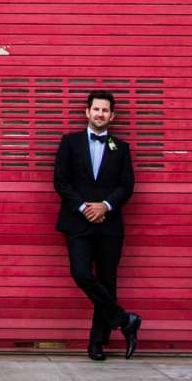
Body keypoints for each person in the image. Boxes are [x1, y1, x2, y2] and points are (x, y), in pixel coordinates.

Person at [52, 88, 141, 361]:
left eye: (105, 110)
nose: (100, 114)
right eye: (96, 109)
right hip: (78, 223)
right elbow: (60, 181)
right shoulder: (69, 142)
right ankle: (124, 319)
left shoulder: (121, 148)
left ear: (112, 116)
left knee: (107, 281)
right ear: (86, 112)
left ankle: (97, 343)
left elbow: (127, 185)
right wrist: (84, 207)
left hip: (109, 225)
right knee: (81, 274)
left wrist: (105, 206)